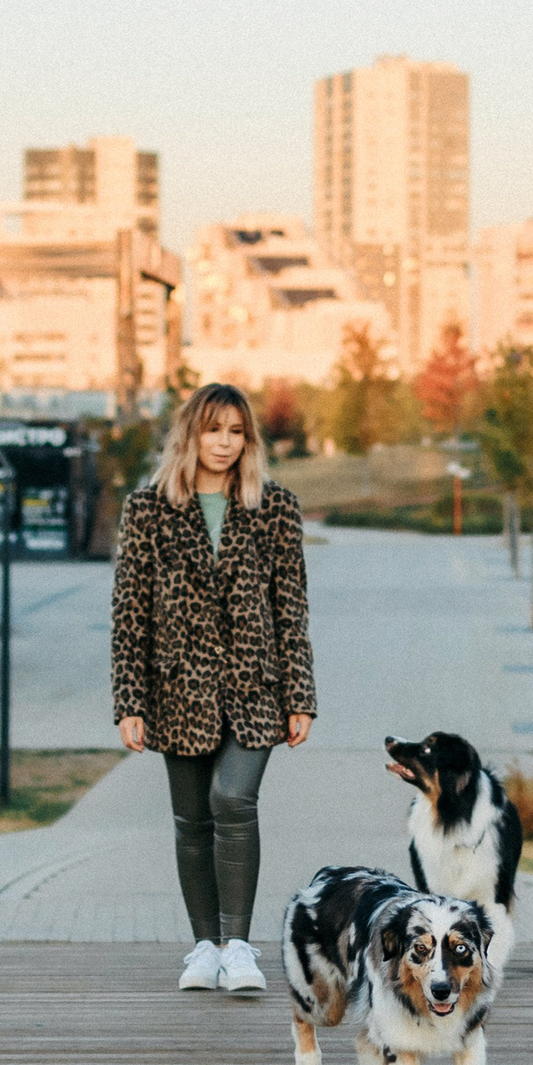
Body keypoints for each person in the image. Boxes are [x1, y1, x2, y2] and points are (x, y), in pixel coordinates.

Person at [110, 383, 316, 992]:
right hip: (177, 692)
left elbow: (292, 607)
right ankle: (206, 946)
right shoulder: (147, 508)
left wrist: (300, 696)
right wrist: (130, 703)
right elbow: (130, 614)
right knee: (191, 820)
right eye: (213, 430)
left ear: (248, 440)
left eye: (235, 431)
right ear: (190, 434)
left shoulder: (274, 506)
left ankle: (240, 947)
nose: (224, 443)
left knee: (233, 799)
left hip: (258, 691)